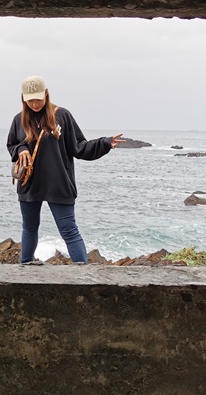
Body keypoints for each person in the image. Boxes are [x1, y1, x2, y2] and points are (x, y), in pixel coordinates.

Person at [7, 75, 125, 264]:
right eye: (30, 100)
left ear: (46, 94)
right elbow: (11, 144)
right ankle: (25, 269)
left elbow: (79, 147)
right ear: (23, 98)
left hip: (58, 182)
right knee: (29, 228)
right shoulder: (19, 120)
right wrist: (21, 149)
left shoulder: (62, 116)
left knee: (69, 230)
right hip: (29, 183)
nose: (35, 104)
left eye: (38, 98)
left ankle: (82, 275)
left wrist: (104, 143)